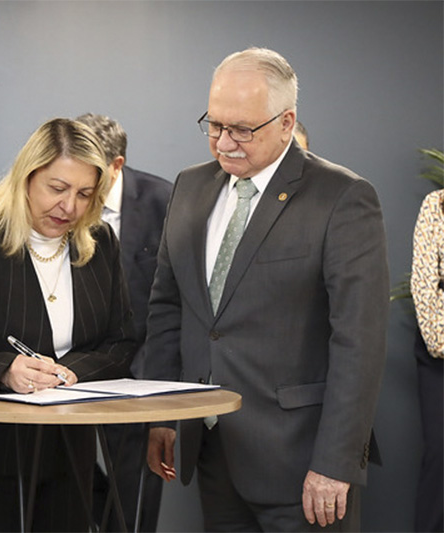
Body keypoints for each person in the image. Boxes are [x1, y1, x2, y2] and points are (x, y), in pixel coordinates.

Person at [144, 47, 388, 531]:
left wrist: (336, 463)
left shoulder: (341, 196)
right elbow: (168, 309)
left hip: (302, 462)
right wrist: (161, 413)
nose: (224, 142)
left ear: (285, 121)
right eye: (213, 125)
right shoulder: (189, 187)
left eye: (242, 129)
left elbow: (359, 341)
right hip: (211, 451)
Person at [0, 118, 137, 532]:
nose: (69, 207)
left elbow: (122, 343)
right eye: (57, 189)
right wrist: (7, 371)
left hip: (67, 454)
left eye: (84, 194)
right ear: (26, 178)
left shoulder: (101, 242)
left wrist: (73, 371)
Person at [76, 113, 171, 532]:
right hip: (70, 371)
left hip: (138, 376)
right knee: (65, 479)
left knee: (134, 501)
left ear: (116, 165)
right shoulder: (60, 201)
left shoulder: (163, 201)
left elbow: (174, 300)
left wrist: (152, 378)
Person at [410, 190, 444, 532]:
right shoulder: (436, 204)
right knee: (441, 458)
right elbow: (423, 285)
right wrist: (440, 339)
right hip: (440, 354)